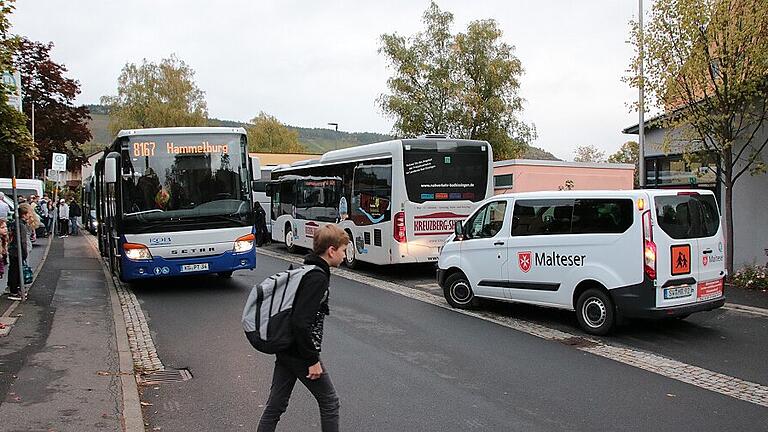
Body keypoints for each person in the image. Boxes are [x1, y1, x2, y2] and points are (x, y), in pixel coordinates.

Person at [257, 224, 347, 432]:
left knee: (276, 405)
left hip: (287, 348)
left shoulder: (307, 270)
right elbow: (300, 322)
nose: (345, 255)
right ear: (331, 251)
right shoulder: (317, 277)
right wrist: (312, 360)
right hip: (298, 351)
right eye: (343, 250)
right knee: (330, 402)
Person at [6, 204, 33, 301]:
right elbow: (23, 241)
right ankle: (14, 292)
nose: (30, 215)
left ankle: (14, 289)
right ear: (24, 215)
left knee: (13, 270)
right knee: (16, 271)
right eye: (28, 213)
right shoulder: (21, 225)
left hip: (12, 250)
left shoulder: (14, 223)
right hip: (18, 252)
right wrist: (25, 253)